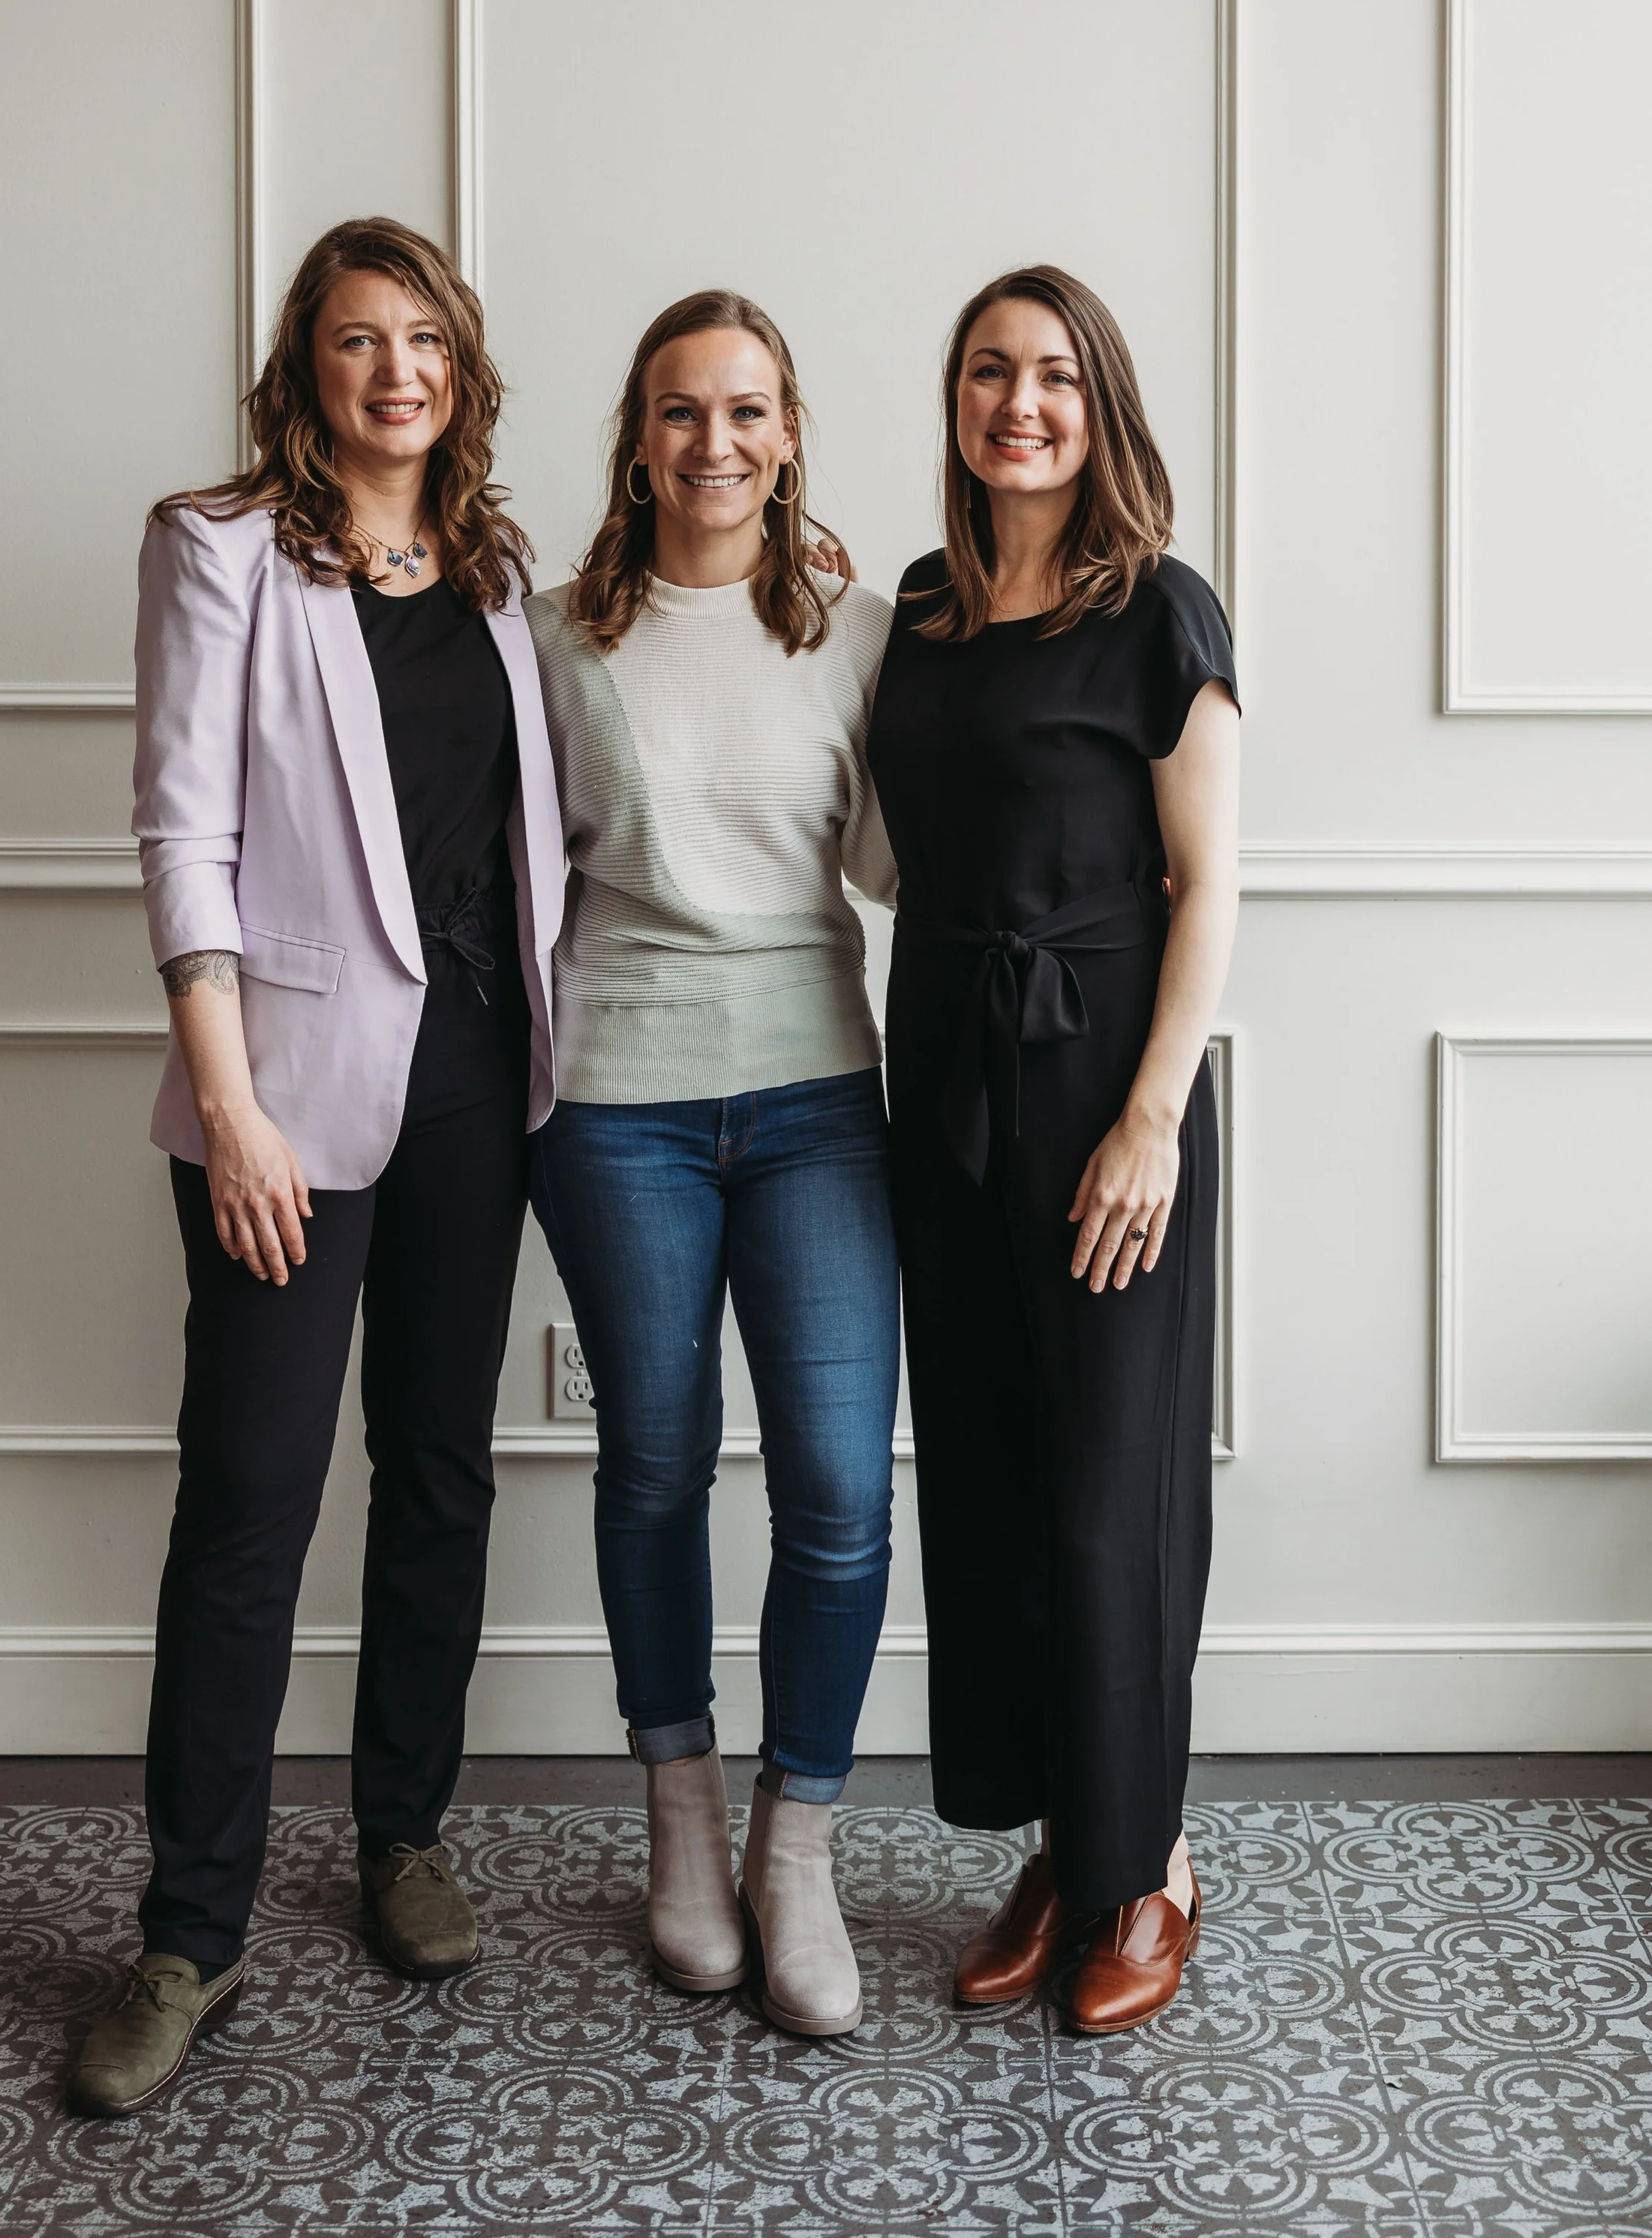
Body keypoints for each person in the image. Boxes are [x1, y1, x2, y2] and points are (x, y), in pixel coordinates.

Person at [67, 218, 564, 2117]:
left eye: (422, 338)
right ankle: (186, 1932)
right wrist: (233, 1103)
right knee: (251, 1501)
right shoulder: (218, 551)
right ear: (307, 369)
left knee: (438, 1467)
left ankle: (402, 1835)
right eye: (357, 342)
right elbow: (179, 834)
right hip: (279, 1099)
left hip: (474, 1088)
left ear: (460, 366)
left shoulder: (501, 575)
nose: (394, 373)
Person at [867, 263, 1239, 2035]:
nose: (1017, 403)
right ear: (955, 401)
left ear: (1100, 409)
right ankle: (1059, 1846)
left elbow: (1208, 884)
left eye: (1052, 377)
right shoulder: (925, 612)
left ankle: (1147, 1861)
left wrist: (1151, 1116)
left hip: (1102, 1078)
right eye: (987, 373)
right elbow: (881, 846)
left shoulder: (1160, 613)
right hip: (941, 1079)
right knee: (1000, 1490)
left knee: (1110, 1499)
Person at [527, 291, 899, 2039]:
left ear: (789, 431)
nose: (713, 445)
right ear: (637, 437)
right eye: (680, 413)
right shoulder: (554, 641)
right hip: (617, 1107)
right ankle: (679, 1823)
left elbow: (907, 865)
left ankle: (794, 1846)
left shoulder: (863, 632)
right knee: (655, 1463)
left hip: (819, 1094)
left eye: (745, 412)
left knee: (835, 1483)